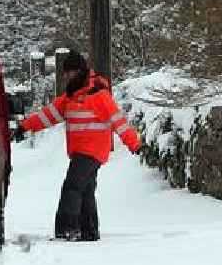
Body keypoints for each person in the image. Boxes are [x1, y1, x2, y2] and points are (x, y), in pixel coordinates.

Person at [14, 51, 141, 241]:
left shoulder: (98, 95)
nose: (66, 77)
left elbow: (118, 121)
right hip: (80, 151)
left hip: (92, 151)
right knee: (86, 190)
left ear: (80, 72)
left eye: (69, 73)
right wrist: (24, 126)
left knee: (72, 187)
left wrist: (134, 143)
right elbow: (47, 116)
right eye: (65, 73)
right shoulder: (70, 97)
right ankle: (89, 232)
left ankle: (68, 230)